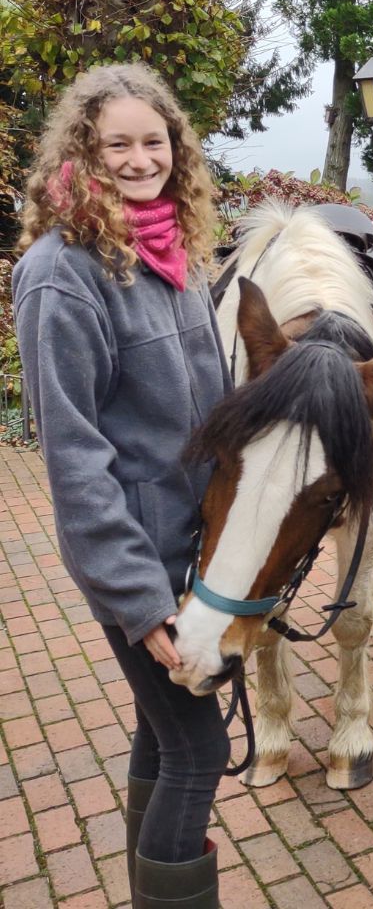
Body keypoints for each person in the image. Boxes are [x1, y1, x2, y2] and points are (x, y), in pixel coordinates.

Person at [13, 63, 232, 908]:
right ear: (86, 153)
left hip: (192, 552)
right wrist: (142, 602)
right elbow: (74, 459)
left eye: (156, 142)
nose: (142, 160)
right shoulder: (61, 273)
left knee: (160, 729)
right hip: (136, 568)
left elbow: (207, 405)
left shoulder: (172, 251)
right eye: (119, 145)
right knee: (198, 751)